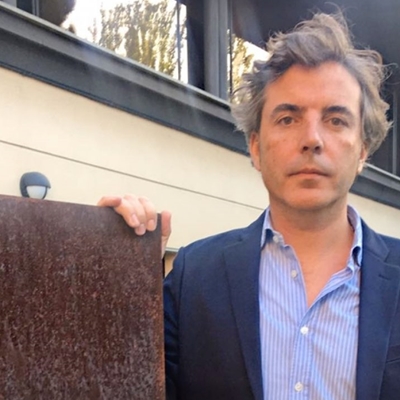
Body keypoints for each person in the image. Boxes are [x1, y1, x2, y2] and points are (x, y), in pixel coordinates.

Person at [98, 12, 400, 400]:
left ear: (362, 151)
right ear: (255, 148)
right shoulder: (194, 278)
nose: (311, 139)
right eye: (288, 118)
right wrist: (121, 278)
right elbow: (127, 385)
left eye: (336, 120)